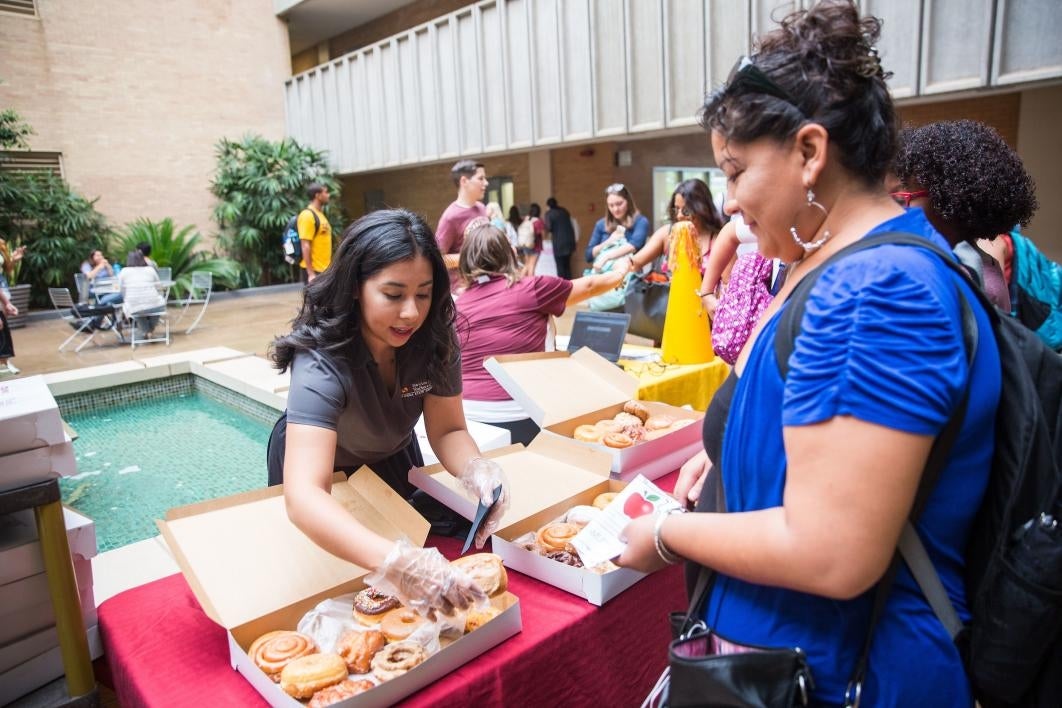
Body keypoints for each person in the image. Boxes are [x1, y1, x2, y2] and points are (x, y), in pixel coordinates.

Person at [616, 2, 1001, 705]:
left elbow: (832, 552)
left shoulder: (876, 290)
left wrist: (671, 536)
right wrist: (731, 444)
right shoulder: (833, 261)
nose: (728, 203)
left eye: (735, 172)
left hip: (843, 674)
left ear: (809, 152)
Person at [267, 209, 510, 616]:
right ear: (355, 288)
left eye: (424, 293)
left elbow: (448, 430)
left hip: (393, 456)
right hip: (321, 463)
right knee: (332, 586)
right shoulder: (321, 357)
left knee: (400, 598)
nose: (411, 313)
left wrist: (477, 469)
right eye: (393, 295)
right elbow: (306, 494)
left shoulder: (434, 336)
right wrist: (396, 562)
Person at [454, 222, 627, 444]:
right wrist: (622, 270)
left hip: (468, 418)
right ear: (509, 254)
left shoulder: (457, 304)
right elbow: (591, 285)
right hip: (521, 412)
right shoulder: (532, 288)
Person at [892, 119, 1039, 315]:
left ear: (947, 203)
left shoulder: (957, 278)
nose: (899, 208)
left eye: (905, 197)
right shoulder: (986, 268)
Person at [622, 179, 722, 362]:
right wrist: (620, 270)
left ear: (702, 208)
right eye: (676, 209)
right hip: (668, 320)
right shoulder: (667, 234)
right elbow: (636, 261)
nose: (680, 216)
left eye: (686, 210)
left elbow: (731, 286)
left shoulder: (720, 240)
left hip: (704, 327)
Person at [436, 160, 488, 292]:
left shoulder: (482, 208)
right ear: (464, 181)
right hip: (463, 290)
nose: (486, 183)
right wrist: (470, 256)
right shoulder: (450, 217)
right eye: (481, 178)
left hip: (487, 281)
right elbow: (437, 258)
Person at [583, 183, 651, 272]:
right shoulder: (601, 224)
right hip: (604, 275)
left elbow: (634, 245)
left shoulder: (640, 221)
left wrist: (607, 257)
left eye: (619, 204)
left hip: (630, 275)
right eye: (611, 205)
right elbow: (588, 255)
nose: (615, 209)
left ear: (628, 201)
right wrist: (609, 241)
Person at [119, 250, 166, 336]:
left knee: (137, 310)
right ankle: (149, 331)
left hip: (134, 307)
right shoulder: (150, 270)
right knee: (158, 306)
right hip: (154, 305)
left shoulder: (124, 271)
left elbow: (121, 289)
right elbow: (158, 286)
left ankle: (147, 331)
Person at [298, 182, 333, 284]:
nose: (328, 195)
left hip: (324, 269)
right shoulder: (307, 215)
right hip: (315, 271)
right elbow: (305, 245)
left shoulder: (320, 214)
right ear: (317, 195)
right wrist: (311, 273)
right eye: (325, 192)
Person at [0, 238, 25, 374]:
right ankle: (4, 363)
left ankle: (4, 362)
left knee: (2, 326)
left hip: (1, 286)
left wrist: (14, 260)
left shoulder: (1, 243)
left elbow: (6, 269)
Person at [544, 197, 576, 279]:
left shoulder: (549, 213)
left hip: (559, 243)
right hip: (569, 241)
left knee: (560, 266)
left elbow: (549, 227)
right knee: (567, 266)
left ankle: (562, 287)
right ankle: (570, 285)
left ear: (548, 205)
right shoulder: (564, 211)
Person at [517, 203, 546, 277]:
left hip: (525, 245)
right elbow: (542, 234)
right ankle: (531, 284)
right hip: (535, 246)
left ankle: (520, 282)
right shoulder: (538, 221)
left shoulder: (527, 219)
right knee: (532, 266)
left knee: (526, 265)